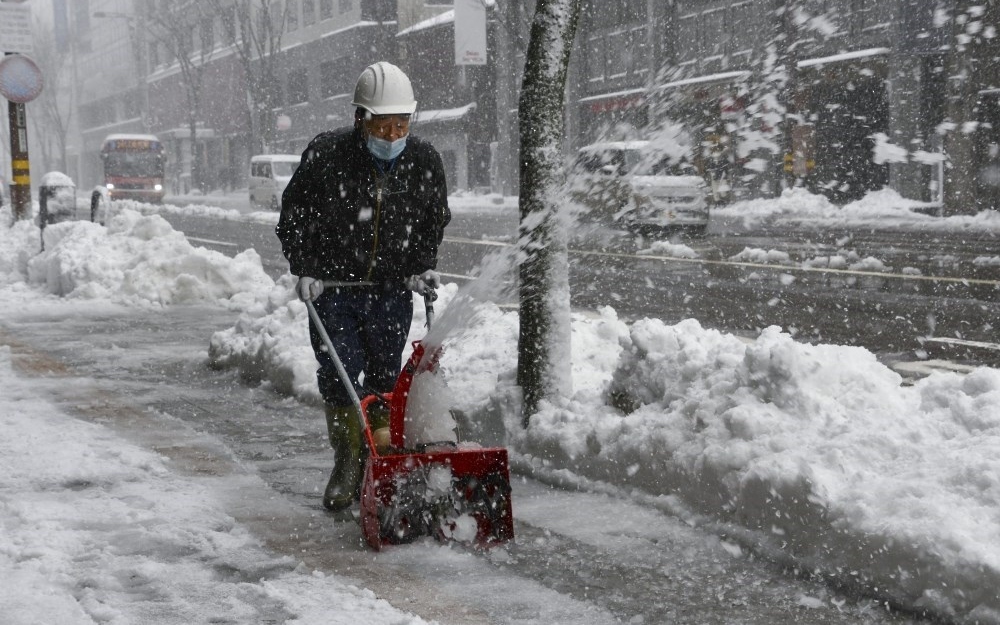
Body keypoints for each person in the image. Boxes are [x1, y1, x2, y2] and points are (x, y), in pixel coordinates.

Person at [275, 61, 451, 512]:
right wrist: (306, 266)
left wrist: (421, 266)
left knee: (384, 377)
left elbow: (433, 221)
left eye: (401, 124)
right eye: (383, 124)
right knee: (340, 373)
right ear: (361, 119)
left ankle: (381, 459)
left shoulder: (424, 160)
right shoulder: (328, 155)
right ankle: (348, 461)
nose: (393, 135)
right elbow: (294, 216)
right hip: (333, 290)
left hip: (389, 290)